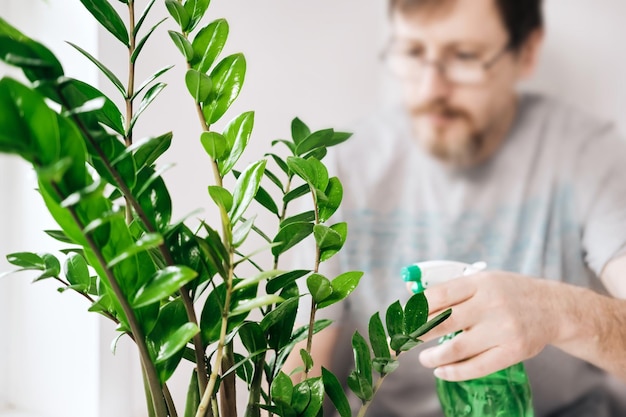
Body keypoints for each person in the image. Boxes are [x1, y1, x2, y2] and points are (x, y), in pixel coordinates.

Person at [290, 0, 626, 416]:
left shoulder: (585, 154)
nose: (431, 89)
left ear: (526, 52)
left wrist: (555, 311)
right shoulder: (346, 167)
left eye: (464, 57)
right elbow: (298, 372)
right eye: (412, 53)